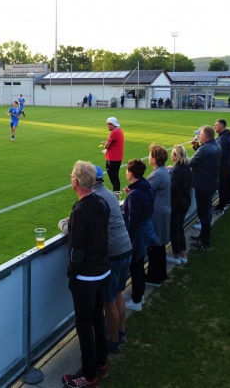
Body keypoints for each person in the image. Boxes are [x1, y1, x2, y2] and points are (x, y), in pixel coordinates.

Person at [58, 165, 132, 355]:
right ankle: (121, 333)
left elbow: (79, 239)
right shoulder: (104, 197)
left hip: (109, 256)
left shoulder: (91, 203)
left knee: (107, 303)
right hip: (124, 248)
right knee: (116, 295)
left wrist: (73, 273)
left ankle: (113, 342)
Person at [61, 161, 110, 388]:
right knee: (98, 319)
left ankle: (89, 376)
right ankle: (101, 362)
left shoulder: (81, 210)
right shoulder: (101, 202)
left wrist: (73, 273)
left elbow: (78, 249)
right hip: (102, 271)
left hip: (87, 277)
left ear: (76, 182)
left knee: (84, 326)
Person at [122, 159, 158, 312]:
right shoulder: (145, 186)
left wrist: (128, 239)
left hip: (137, 236)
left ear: (130, 174)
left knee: (136, 266)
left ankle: (137, 300)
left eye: (126, 171)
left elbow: (133, 220)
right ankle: (140, 295)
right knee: (139, 264)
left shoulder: (136, 194)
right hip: (143, 232)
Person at [188, 125, 221, 250]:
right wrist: (197, 147)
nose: (198, 136)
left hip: (203, 185)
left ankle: (205, 242)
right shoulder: (216, 146)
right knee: (206, 212)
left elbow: (190, 163)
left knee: (204, 214)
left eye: (200, 134)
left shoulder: (205, 149)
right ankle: (203, 236)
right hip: (211, 183)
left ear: (205, 136)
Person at [145, 144, 171, 287]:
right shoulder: (163, 171)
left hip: (157, 214)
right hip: (163, 211)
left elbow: (146, 192)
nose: (148, 157)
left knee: (155, 245)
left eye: (150, 155)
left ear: (154, 159)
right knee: (159, 246)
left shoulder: (157, 175)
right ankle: (160, 274)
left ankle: (154, 277)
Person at [168, 145, 192, 264]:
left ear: (176, 156)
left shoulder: (177, 170)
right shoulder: (186, 167)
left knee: (174, 229)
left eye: (172, 154)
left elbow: (173, 188)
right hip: (185, 201)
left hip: (176, 203)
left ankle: (176, 255)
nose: (170, 155)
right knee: (180, 228)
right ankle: (183, 254)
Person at [213, 119, 230, 214]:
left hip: (224, 168)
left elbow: (220, 154)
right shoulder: (227, 136)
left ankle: (221, 206)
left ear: (221, 127)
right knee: (228, 184)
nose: (215, 127)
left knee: (222, 187)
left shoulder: (223, 138)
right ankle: (228, 200)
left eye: (216, 125)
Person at [102, 117, 124, 192]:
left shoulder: (114, 133)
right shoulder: (119, 131)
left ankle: (116, 195)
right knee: (115, 178)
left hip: (112, 159)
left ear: (112, 124)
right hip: (117, 158)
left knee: (114, 179)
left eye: (107, 124)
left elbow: (106, 146)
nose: (107, 126)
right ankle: (116, 194)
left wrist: (104, 144)